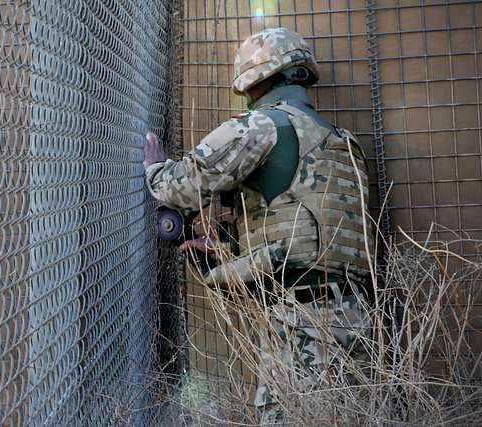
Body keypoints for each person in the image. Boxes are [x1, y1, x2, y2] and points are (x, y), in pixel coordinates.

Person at [144, 28, 373, 425]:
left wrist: (156, 169)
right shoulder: (340, 141)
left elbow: (181, 187)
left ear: (252, 80)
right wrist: (234, 257)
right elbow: (309, 231)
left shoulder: (263, 126)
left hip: (303, 322)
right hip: (356, 316)